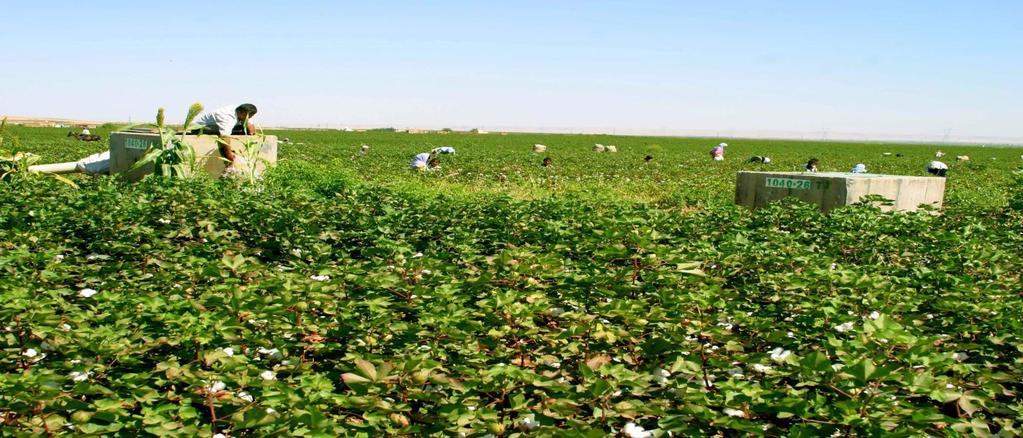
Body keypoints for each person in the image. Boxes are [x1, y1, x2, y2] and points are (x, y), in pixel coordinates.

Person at [189, 104, 258, 165]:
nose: (249, 118)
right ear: (243, 113)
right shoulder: (227, 117)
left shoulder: (241, 111)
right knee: (223, 132)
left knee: (240, 127)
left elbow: (251, 127)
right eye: (249, 116)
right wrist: (229, 154)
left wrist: (251, 132)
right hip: (201, 128)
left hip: (220, 126)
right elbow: (224, 136)